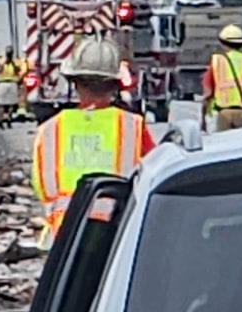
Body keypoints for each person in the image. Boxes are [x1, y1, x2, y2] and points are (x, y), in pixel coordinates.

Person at [30, 37, 154, 251]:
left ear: (74, 83)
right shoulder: (132, 127)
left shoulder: (50, 129)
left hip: (64, 238)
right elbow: (153, 174)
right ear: (114, 85)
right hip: (116, 235)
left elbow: (40, 185)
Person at [201, 24, 242, 132]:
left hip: (224, 115)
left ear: (222, 43)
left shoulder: (217, 62)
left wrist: (203, 119)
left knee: (224, 142)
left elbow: (207, 93)